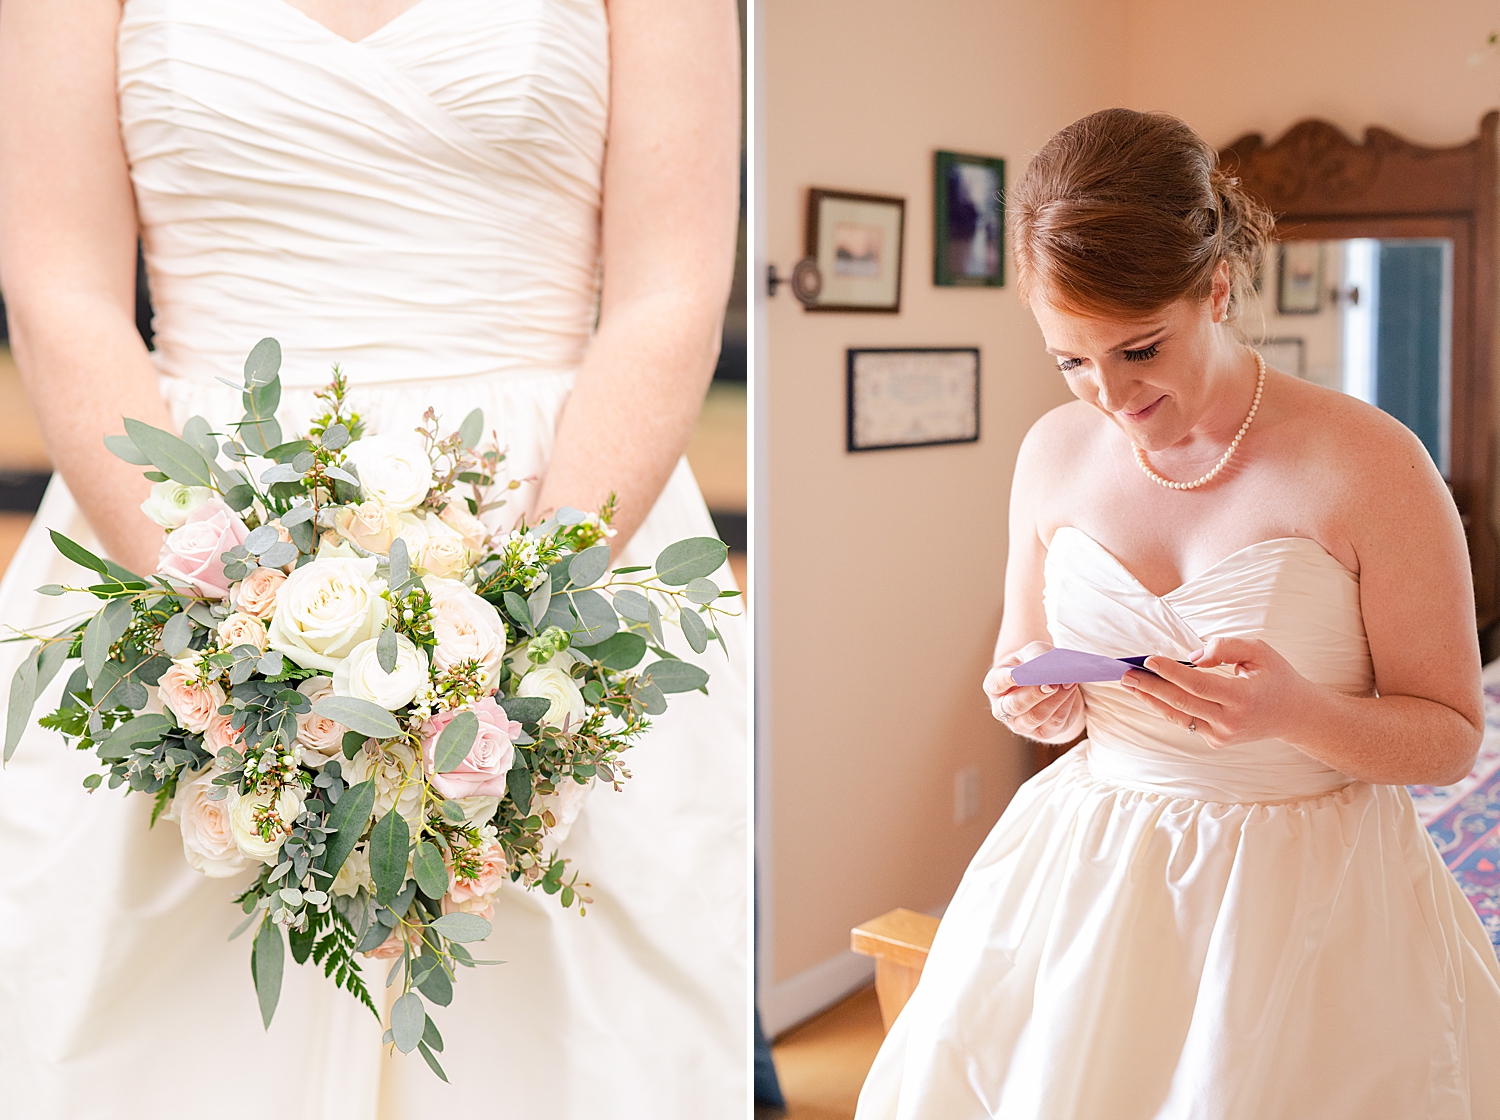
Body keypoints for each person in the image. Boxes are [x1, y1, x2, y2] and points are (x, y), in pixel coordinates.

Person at [0, 1, 746, 1115]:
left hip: (556, 506)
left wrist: (530, 607)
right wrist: (213, 631)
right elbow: (62, 287)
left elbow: (667, 290)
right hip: (182, 512)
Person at [856, 108, 1500, 1119]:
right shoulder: (1050, 455)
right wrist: (1035, 701)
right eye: (1071, 360)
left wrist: (1295, 712)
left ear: (1215, 285)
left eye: (1138, 348)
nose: (1109, 395)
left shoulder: (1372, 464)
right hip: (1088, 877)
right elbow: (1028, 657)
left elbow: (1454, 737)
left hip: (1305, 897)